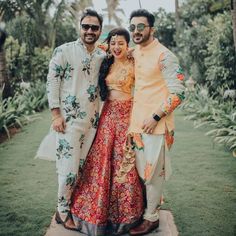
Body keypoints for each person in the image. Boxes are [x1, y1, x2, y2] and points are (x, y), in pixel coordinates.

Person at [70, 27, 144, 236]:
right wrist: (111, 44)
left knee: (124, 162)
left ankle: (126, 217)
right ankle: (95, 213)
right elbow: (101, 44)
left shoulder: (134, 60)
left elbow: (142, 53)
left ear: (128, 45)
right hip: (108, 115)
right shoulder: (107, 59)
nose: (116, 47)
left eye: (121, 43)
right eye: (113, 43)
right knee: (101, 161)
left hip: (127, 116)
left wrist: (132, 50)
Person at [118, 9, 186, 235]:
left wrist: (156, 115)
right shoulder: (135, 52)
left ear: (151, 29)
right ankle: (145, 210)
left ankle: (152, 218)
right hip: (136, 125)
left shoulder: (164, 55)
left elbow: (179, 93)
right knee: (140, 173)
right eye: (133, 27)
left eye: (141, 27)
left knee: (153, 174)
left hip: (156, 125)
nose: (136, 31)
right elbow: (113, 48)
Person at [37, 9, 105, 230]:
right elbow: (52, 82)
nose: (89, 31)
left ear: (100, 31)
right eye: (86, 26)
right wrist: (55, 114)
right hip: (68, 121)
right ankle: (62, 212)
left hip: (92, 122)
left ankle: (72, 207)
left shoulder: (102, 56)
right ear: (80, 27)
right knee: (68, 169)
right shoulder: (64, 51)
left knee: (82, 167)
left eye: (94, 27)